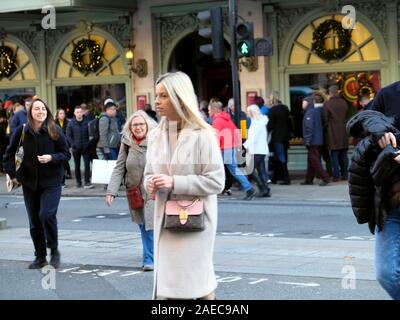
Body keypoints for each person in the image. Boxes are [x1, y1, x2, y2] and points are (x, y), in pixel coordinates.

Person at [144, 71, 225, 300]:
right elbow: (149, 173)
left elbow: (216, 181)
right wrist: (150, 183)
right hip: (165, 221)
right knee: (171, 288)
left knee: (197, 284)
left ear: (179, 98)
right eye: (156, 95)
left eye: (163, 96)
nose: (157, 101)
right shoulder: (155, 135)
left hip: (196, 221)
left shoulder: (203, 135)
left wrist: (174, 182)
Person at [2, 98, 70, 269]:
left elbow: (66, 154)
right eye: (36, 109)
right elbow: (8, 156)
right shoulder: (22, 130)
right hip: (30, 183)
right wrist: (14, 174)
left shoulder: (55, 130)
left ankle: (54, 250)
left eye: (43, 109)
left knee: (46, 215)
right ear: (30, 113)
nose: (40, 112)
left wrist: (52, 158)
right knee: (34, 221)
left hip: (52, 181)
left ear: (47, 111)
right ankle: (40, 256)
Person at [106, 110, 157, 271]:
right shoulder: (126, 142)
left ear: (147, 125)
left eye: (141, 124)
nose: (138, 127)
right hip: (134, 191)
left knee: (150, 225)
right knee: (143, 225)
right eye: (135, 125)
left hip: (153, 190)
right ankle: (153, 254)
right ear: (130, 127)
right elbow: (119, 167)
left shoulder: (157, 141)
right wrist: (111, 191)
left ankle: (149, 259)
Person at [365, 80, 400, 299]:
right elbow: (361, 122)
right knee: (386, 273)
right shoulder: (389, 94)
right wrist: (379, 133)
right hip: (392, 203)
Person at [209, 100, 257, 200]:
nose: (208, 112)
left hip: (223, 149)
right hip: (230, 147)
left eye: (209, 110)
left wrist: (214, 150)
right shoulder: (227, 119)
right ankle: (248, 188)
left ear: (214, 110)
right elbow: (236, 132)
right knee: (233, 169)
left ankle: (211, 190)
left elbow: (216, 138)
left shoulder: (217, 121)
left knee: (213, 168)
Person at [301, 95, 330, 186]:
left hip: (313, 140)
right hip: (317, 139)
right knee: (311, 160)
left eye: (303, 102)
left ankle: (325, 178)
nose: (302, 104)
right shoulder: (316, 111)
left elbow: (309, 127)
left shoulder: (310, 112)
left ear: (309, 102)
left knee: (315, 160)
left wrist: (308, 140)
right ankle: (309, 179)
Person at [243, 104, 271, 197]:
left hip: (257, 150)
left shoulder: (256, 123)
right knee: (261, 170)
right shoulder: (260, 121)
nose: (246, 113)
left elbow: (253, 139)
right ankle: (266, 190)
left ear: (251, 113)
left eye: (247, 111)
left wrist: (244, 146)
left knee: (249, 169)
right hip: (261, 149)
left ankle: (262, 188)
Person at [323, 85, 349, 181]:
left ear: (330, 93)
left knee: (334, 154)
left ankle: (336, 176)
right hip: (343, 131)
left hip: (332, 132)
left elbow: (325, 119)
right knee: (344, 154)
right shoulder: (344, 103)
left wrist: (327, 127)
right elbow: (347, 116)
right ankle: (345, 175)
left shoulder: (327, 104)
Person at [267, 91, 292, 185]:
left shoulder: (273, 110)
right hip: (286, 136)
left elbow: (270, 125)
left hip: (278, 136)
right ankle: (275, 178)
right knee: (279, 156)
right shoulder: (285, 108)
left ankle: (286, 179)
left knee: (280, 157)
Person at [66, 105, 93, 189]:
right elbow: (68, 135)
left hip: (86, 148)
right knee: (77, 166)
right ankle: (78, 182)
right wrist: (73, 145)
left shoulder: (88, 121)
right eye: (77, 112)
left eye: (80, 112)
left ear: (83, 112)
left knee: (87, 165)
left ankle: (87, 182)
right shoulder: (71, 123)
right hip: (75, 148)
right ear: (74, 113)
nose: (79, 114)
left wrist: (89, 143)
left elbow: (91, 134)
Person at [55, 108, 72, 184]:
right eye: (60, 113)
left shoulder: (68, 122)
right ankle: (63, 179)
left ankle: (67, 173)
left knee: (65, 160)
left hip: (66, 144)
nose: (62, 115)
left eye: (63, 113)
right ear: (57, 115)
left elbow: (69, 134)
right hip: (57, 144)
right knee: (61, 161)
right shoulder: (54, 123)